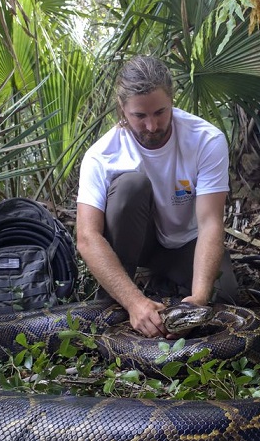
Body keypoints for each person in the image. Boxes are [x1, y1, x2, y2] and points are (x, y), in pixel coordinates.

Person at [76, 55, 238, 338]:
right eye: (140, 116)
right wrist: (133, 302)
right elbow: (87, 237)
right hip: (139, 246)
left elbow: (211, 223)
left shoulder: (206, 140)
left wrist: (198, 299)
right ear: (122, 109)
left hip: (185, 242)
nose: (152, 126)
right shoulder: (101, 156)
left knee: (226, 298)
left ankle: (165, 283)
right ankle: (115, 298)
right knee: (130, 187)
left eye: (160, 112)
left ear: (172, 100)